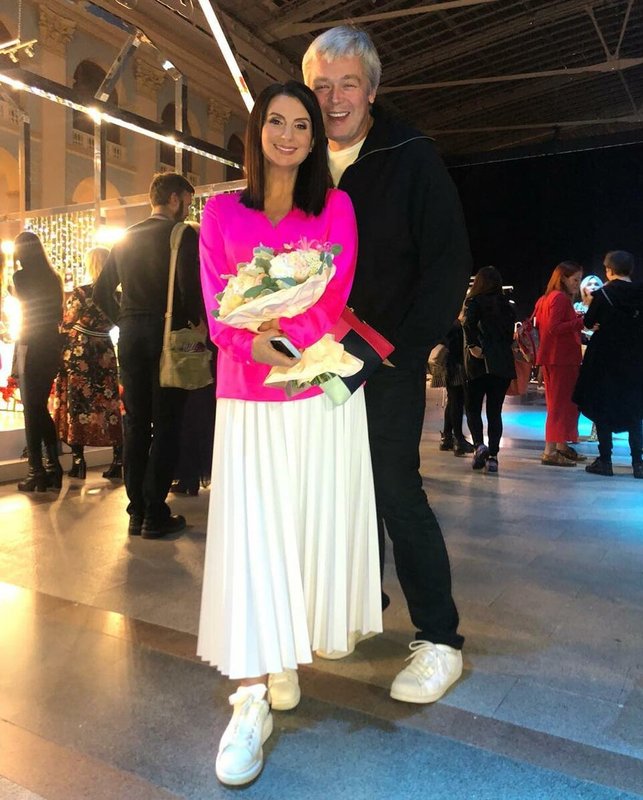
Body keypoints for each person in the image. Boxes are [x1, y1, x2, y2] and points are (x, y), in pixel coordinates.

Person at [197, 81, 381, 787]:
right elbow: (216, 306)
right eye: (275, 121)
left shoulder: (335, 207)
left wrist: (288, 338)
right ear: (257, 131)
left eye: (300, 124)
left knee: (303, 531)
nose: (286, 134)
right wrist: (254, 342)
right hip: (247, 394)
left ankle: (281, 656)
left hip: (313, 392)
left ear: (314, 139)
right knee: (252, 536)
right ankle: (249, 697)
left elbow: (334, 295)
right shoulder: (220, 212)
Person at [303, 25, 470, 703]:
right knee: (337, 488)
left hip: (386, 357)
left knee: (395, 489)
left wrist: (403, 349)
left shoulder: (410, 155)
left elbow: (447, 262)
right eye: (321, 86)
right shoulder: (303, 158)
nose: (334, 99)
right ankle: (355, 604)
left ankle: (439, 638)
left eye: (348, 84)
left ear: (372, 89)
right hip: (315, 359)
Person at [93, 172, 203, 539]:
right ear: (174, 199)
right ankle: (155, 511)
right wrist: (197, 324)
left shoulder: (126, 237)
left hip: (130, 336)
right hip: (167, 338)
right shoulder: (181, 234)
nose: (188, 209)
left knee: (136, 424)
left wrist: (125, 318)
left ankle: (136, 510)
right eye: (187, 201)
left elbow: (100, 292)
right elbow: (189, 291)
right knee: (167, 422)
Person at [53, 247, 123, 480]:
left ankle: (78, 460)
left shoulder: (81, 293)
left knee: (78, 404)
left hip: (80, 352)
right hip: (104, 351)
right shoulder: (117, 296)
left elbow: (66, 323)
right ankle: (118, 458)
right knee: (108, 403)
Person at [573, 251, 643, 479]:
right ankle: (638, 463)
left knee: (603, 407)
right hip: (635, 357)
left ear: (609, 270)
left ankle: (605, 461)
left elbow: (588, 321)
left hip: (604, 357)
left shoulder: (603, 293)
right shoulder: (640, 292)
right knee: (634, 410)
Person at [12, 231, 64, 492]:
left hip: (30, 344)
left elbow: (22, 303)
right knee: (38, 406)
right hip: (50, 345)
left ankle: (37, 471)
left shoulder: (20, 277)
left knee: (31, 409)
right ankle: (52, 467)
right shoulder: (54, 278)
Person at [462, 266, 516, 474]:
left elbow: (468, 324)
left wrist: (473, 346)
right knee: (495, 411)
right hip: (501, 363)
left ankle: (479, 445)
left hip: (479, 362)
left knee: (473, 407)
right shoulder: (507, 305)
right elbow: (509, 336)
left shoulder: (474, 302)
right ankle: (493, 456)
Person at [535, 261, 588, 467]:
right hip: (561, 360)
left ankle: (561, 446)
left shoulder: (547, 298)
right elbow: (554, 328)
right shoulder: (559, 298)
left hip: (556, 359)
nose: (577, 283)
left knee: (562, 404)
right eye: (575, 279)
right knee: (559, 406)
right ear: (563, 278)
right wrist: (582, 322)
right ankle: (550, 451)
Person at [437, 320, 474, 457]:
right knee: (457, 401)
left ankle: (447, 437)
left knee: (453, 400)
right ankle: (458, 439)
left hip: (449, 364)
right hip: (456, 365)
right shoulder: (457, 324)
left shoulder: (447, 320)